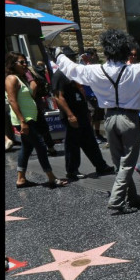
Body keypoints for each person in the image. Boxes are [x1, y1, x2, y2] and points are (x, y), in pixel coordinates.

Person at [54, 29, 140, 215]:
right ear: (126, 51)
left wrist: (58, 55)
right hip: (129, 119)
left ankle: (132, 197)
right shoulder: (136, 70)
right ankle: (116, 200)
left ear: (106, 51)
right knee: (128, 163)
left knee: (119, 162)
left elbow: (71, 69)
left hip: (109, 119)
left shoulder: (95, 70)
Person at [51, 46, 116, 181]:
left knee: (90, 141)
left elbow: (81, 91)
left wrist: (86, 110)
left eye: (73, 57)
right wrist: (70, 115)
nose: (73, 59)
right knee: (73, 144)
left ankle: (101, 166)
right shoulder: (59, 75)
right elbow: (58, 97)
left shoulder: (73, 73)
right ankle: (72, 171)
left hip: (81, 112)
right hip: (72, 115)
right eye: (71, 57)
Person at [4, 52, 68, 189]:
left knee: (26, 148)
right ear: (12, 64)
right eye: (21, 62)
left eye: (25, 62)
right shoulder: (11, 79)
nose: (25, 64)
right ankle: (51, 177)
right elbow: (12, 100)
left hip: (30, 118)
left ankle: (21, 179)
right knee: (41, 146)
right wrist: (22, 121)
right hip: (25, 120)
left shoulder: (20, 78)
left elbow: (30, 94)